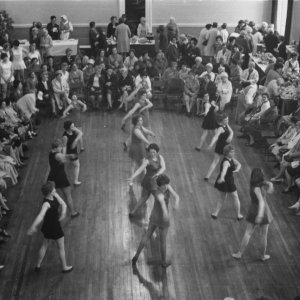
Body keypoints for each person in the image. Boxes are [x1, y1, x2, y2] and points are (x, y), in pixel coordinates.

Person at [132, 174, 180, 267]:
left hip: (154, 216)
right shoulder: (159, 195)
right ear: (160, 185)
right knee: (162, 241)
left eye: (167, 184)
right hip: (162, 219)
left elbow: (177, 196)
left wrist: (177, 202)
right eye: (164, 184)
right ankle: (163, 262)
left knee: (147, 236)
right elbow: (162, 205)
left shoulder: (165, 187)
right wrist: (166, 214)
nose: (166, 186)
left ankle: (136, 256)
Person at [27, 181, 73, 273]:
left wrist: (63, 213)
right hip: (55, 227)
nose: (55, 190)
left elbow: (63, 204)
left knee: (44, 245)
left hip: (48, 226)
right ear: (49, 192)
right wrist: (33, 226)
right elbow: (40, 215)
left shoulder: (54, 195)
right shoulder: (46, 204)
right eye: (53, 189)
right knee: (61, 248)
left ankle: (38, 265)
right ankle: (64, 267)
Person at [232, 168, 273, 261]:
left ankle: (239, 253)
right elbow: (262, 202)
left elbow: (269, 189)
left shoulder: (253, 185)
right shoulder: (259, 188)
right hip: (263, 211)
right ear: (261, 176)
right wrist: (260, 215)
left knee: (248, 233)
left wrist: (269, 183)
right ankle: (262, 256)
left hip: (253, 209)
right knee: (263, 235)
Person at [128, 143, 166, 217]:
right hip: (150, 182)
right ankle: (159, 216)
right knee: (146, 198)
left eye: (154, 152)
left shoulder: (160, 157)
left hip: (156, 181)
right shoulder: (147, 160)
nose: (152, 154)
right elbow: (140, 169)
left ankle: (133, 212)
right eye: (150, 152)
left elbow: (163, 167)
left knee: (145, 198)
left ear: (157, 151)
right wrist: (132, 177)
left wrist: (158, 173)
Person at [47, 138, 79, 218]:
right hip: (60, 177)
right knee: (68, 195)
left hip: (52, 175)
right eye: (60, 146)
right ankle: (73, 212)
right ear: (56, 147)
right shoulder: (58, 155)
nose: (61, 148)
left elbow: (62, 156)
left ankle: (54, 212)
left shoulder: (51, 153)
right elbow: (64, 159)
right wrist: (71, 156)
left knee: (53, 195)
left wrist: (68, 155)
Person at [212, 144, 243, 220]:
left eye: (233, 151)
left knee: (226, 197)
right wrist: (222, 178)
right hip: (226, 181)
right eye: (231, 152)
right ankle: (238, 215)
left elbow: (239, 164)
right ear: (227, 153)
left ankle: (216, 213)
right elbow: (224, 171)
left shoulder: (231, 159)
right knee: (231, 197)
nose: (233, 153)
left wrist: (237, 169)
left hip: (229, 180)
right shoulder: (226, 162)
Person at [205, 113, 233, 180]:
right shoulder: (220, 128)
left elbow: (231, 131)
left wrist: (231, 133)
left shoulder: (226, 125)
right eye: (225, 120)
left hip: (226, 146)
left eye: (227, 119)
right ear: (222, 120)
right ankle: (207, 176)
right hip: (221, 146)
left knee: (227, 162)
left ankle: (223, 176)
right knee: (216, 161)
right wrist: (211, 144)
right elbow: (216, 136)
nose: (227, 121)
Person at [62, 121, 83, 186]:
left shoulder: (73, 130)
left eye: (74, 126)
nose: (74, 127)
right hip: (70, 153)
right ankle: (75, 181)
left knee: (73, 164)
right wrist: (63, 156)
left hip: (74, 150)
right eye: (72, 126)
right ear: (68, 128)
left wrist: (75, 141)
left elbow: (81, 133)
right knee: (77, 165)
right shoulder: (65, 137)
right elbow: (64, 146)